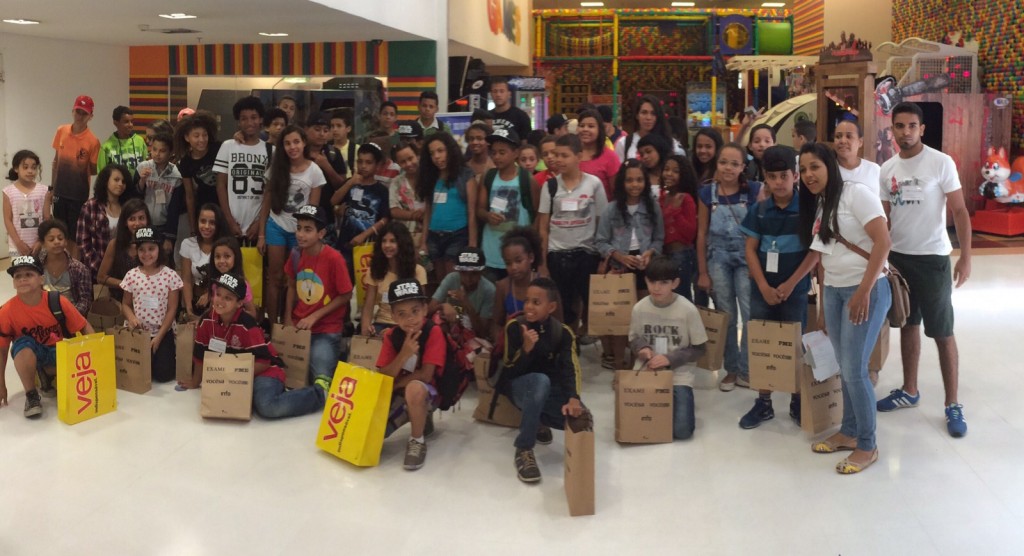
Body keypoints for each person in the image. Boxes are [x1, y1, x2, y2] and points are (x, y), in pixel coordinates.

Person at [875, 102, 973, 438]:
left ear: (922, 129)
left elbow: (959, 211)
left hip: (932, 259)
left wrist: (965, 256)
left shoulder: (940, 162)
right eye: (899, 126)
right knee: (908, 325)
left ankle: (952, 403)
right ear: (893, 129)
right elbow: (884, 221)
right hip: (899, 261)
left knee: (943, 332)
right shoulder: (886, 168)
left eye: (912, 126)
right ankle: (910, 390)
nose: (906, 132)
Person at [800, 142, 891, 474]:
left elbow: (883, 241)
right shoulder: (823, 203)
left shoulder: (856, 194)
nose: (809, 175)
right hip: (837, 292)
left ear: (830, 166)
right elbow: (823, 258)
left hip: (865, 290)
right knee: (844, 366)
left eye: (815, 167)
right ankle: (849, 431)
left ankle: (868, 445)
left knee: (855, 370)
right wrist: (823, 305)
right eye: (804, 169)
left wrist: (864, 291)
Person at [737, 146, 818, 429]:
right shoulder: (759, 211)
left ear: (795, 176)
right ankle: (764, 402)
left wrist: (790, 283)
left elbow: (815, 251)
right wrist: (763, 285)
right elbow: (750, 250)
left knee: (795, 345)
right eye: (772, 177)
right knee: (762, 345)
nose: (779, 182)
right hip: (763, 291)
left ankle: (797, 399)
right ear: (765, 179)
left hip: (794, 290)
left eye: (784, 176)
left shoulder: (808, 211)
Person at [191, 272, 330, 417]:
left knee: (266, 406)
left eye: (228, 298)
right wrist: (195, 383)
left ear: (239, 303)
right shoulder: (206, 320)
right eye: (218, 294)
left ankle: (319, 394)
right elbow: (200, 354)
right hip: (234, 374)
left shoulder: (248, 324)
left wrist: (233, 376)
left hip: (265, 370)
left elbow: (264, 362)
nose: (220, 300)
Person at [497, 277, 586, 483]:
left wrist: (574, 398)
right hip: (518, 388)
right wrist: (526, 350)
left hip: (546, 391)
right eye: (527, 300)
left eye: (536, 302)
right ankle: (524, 449)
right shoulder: (514, 327)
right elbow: (508, 372)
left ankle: (538, 421)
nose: (528, 306)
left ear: (552, 306)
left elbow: (570, 369)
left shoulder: (563, 333)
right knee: (540, 381)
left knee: (582, 418)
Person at [696, 143, 763, 391]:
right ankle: (731, 369)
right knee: (726, 316)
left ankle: (747, 369)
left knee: (749, 314)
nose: (728, 168)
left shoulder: (755, 191)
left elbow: (760, 230)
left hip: (747, 259)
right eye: (724, 162)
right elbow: (701, 234)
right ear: (717, 163)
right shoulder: (706, 194)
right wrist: (703, 271)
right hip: (718, 259)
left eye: (735, 164)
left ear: (744, 167)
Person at [0, 255, 94, 418]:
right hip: (30, 353)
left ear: (41, 279)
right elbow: (2, 349)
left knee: (73, 382)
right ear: (14, 282)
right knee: (22, 343)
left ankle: (46, 374)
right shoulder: (6, 312)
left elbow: (84, 326)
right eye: (18, 276)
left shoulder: (57, 301)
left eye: (29, 274)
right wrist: (1, 382)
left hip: (57, 350)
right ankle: (32, 396)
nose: (23, 279)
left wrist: (96, 359)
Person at [629, 255, 710, 440]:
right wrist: (642, 349)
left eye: (664, 282)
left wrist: (670, 359)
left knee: (682, 431)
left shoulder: (688, 310)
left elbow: (700, 348)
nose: (656, 288)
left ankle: (676, 402)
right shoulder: (639, 308)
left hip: (678, 373)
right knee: (638, 423)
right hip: (647, 370)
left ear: (675, 283)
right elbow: (633, 339)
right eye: (652, 282)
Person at [537, 134, 608, 337]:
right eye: (555, 155)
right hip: (557, 254)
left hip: (586, 254)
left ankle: (584, 335)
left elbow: (601, 222)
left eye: (564, 155)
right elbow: (543, 227)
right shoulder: (550, 187)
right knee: (563, 304)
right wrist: (542, 263)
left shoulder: (593, 184)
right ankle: (567, 342)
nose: (558, 160)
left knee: (587, 300)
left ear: (579, 156)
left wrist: (603, 256)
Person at [596, 159, 664, 369]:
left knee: (643, 316)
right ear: (622, 183)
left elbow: (659, 238)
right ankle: (618, 363)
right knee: (620, 318)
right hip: (619, 268)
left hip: (645, 267)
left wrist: (650, 253)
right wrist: (619, 256)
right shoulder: (612, 209)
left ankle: (640, 360)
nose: (635, 185)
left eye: (639, 180)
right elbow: (600, 241)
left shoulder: (653, 206)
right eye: (629, 180)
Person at [374, 279, 447, 470]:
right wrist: (404, 354)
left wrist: (396, 385)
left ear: (424, 309)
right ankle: (421, 419)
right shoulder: (391, 336)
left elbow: (425, 375)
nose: (410, 319)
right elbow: (383, 376)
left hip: (429, 392)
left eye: (415, 311)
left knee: (415, 389)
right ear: (393, 316)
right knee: (371, 435)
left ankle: (417, 440)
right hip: (399, 394)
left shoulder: (433, 332)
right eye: (402, 314)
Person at [258, 125, 325, 325]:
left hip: (300, 232)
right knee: (274, 277)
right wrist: (261, 233)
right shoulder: (277, 168)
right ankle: (272, 325)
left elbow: (313, 210)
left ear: (304, 143)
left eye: (296, 142)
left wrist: (307, 236)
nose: (292, 147)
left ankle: (292, 322)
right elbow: (266, 201)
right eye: (287, 143)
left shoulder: (315, 171)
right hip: (276, 225)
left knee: (294, 278)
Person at [283, 205, 353, 382]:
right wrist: (287, 319)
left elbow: (346, 295)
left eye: (308, 230)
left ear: (321, 234)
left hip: (326, 329)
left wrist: (314, 316)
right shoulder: (296, 254)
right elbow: (291, 286)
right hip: (299, 326)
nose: (300, 234)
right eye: (299, 228)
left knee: (320, 380)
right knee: (288, 377)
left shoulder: (334, 258)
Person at [120, 227, 184, 384]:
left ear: (159, 249)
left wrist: (160, 336)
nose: (146, 254)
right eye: (141, 249)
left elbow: (172, 309)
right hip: (138, 332)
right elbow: (125, 304)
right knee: (138, 372)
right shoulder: (131, 275)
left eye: (151, 249)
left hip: (162, 331)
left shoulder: (170, 275)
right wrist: (132, 318)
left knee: (164, 375)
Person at [417, 132, 479, 282]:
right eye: (432, 153)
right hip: (434, 235)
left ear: (450, 150)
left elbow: (472, 212)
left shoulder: (465, 175)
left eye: (440, 151)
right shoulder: (431, 177)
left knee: (453, 281)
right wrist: (423, 241)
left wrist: (472, 244)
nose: (436, 157)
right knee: (439, 280)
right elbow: (428, 211)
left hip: (457, 235)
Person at [478, 127, 536, 281]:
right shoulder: (488, 177)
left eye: (502, 152)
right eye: (494, 153)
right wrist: (487, 216)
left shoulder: (526, 179)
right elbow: (479, 209)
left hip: (519, 254)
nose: (497, 157)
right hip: (491, 251)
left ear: (515, 153)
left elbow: (536, 215)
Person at [330, 143, 391, 281]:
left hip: (368, 246)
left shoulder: (381, 191)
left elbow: (385, 218)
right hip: (346, 243)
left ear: (377, 166)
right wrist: (350, 183)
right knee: (343, 281)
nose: (363, 166)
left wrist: (364, 235)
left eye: (368, 162)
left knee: (365, 283)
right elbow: (333, 201)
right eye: (360, 161)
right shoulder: (351, 184)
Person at [49, 95, 101, 259]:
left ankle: (74, 270)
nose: (80, 116)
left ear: (90, 116)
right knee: (58, 233)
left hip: (78, 195)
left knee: (75, 236)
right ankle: (59, 267)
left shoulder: (93, 141)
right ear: (72, 111)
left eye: (84, 113)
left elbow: (93, 170)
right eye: (77, 111)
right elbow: (56, 162)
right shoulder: (61, 131)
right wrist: (52, 188)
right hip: (60, 192)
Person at [215, 96, 271, 242]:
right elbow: (221, 185)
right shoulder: (228, 146)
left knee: (257, 265)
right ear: (238, 122)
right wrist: (229, 220)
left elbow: (270, 191)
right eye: (244, 118)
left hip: (258, 225)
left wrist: (259, 222)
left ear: (261, 120)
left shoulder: (271, 151)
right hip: (232, 222)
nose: (249, 122)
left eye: (254, 117)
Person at [491, 226, 561, 340]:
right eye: (508, 263)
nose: (514, 267)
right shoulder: (502, 287)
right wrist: (501, 345)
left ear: (531, 257)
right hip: (514, 346)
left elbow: (558, 323)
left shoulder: (546, 285)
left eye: (518, 261)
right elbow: (496, 324)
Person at [361, 222, 428, 336]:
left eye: (392, 241)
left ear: (402, 244)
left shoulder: (418, 271)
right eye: (384, 241)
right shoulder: (375, 270)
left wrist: (394, 333)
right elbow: (368, 307)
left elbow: (420, 308)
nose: (387, 245)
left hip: (408, 325)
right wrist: (365, 331)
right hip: (381, 324)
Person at [429, 246, 496, 339]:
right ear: (458, 271)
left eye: (474, 273)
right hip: (450, 330)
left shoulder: (489, 290)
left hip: (473, 337)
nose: (468, 279)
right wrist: (443, 306)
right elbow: (429, 310)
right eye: (464, 273)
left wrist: (466, 303)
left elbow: (482, 331)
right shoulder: (451, 279)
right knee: (437, 318)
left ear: (482, 272)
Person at [78, 163, 128, 281]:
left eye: (123, 181)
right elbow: (83, 243)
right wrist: (101, 268)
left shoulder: (127, 207)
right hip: (96, 270)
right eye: (116, 180)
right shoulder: (91, 206)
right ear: (106, 181)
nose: (120, 184)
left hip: (124, 272)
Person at [660, 154, 700, 302]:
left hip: (682, 255)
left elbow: (690, 233)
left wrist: (676, 212)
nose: (669, 174)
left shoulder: (686, 198)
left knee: (681, 298)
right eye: (666, 169)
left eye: (675, 171)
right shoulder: (663, 197)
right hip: (665, 254)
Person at [133, 132, 182, 251]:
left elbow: (174, 209)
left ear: (171, 152)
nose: (157, 154)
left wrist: (169, 238)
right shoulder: (142, 168)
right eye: (154, 149)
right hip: (143, 223)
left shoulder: (176, 175)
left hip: (164, 226)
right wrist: (142, 180)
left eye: (162, 151)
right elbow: (134, 197)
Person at [175, 111, 222, 235]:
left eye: (204, 135)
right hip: (204, 206)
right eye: (196, 136)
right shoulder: (185, 162)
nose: (201, 140)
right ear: (187, 137)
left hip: (225, 204)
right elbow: (189, 195)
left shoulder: (218, 148)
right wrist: (192, 227)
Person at [181, 203, 230, 318]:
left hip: (221, 301)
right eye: (203, 221)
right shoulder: (188, 244)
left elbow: (230, 277)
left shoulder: (225, 245)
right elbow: (186, 279)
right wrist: (189, 308)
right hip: (197, 302)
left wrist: (211, 294)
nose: (206, 226)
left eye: (212, 223)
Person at [97, 199, 151, 302]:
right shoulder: (115, 244)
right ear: (125, 222)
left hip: (146, 300)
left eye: (141, 218)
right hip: (118, 302)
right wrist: (126, 285)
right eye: (132, 219)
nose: (137, 223)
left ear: (147, 220)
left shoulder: (154, 245)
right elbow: (101, 277)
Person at [37, 219, 93, 318]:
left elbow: (85, 301)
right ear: (43, 243)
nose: (57, 242)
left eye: (60, 238)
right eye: (51, 239)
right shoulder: (37, 268)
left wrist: (68, 317)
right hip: (43, 317)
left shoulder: (79, 269)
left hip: (73, 317)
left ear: (66, 241)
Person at [4, 150, 50, 256]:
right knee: (20, 272)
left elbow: (47, 219)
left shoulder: (44, 191)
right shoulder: (8, 192)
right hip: (16, 245)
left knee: (39, 272)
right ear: (16, 168)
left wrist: (40, 241)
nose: (30, 171)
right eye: (25, 167)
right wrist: (18, 243)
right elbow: (8, 220)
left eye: (34, 167)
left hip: (39, 245)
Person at [614, 95, 684, 162]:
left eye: (653, 113)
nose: (648, 118)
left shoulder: (672, 144)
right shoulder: (624, 143)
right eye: (644, 113)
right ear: (637, 115)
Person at [304, 112, 346, 218]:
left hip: (325, 214)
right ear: (306, 129)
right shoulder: (298, 151)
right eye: (317, 129)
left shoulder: (334, 153)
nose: (322, 134)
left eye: (326, 130)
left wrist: (327, 166)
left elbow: (341, 186)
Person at [208, 236, 258, 319]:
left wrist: (233, 315)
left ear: (236, 257)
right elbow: (212, 310)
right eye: (217, 256)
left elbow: (252, 313)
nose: (221, 261)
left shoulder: (243, 285)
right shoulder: (215, 282)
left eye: (227, 256)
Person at [577, 109, 622, 199]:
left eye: (591, 126)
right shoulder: (572, 154)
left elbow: (617, 192)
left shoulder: (610, 157)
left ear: (599, 130)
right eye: (582, 126)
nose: (585, 129)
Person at [388, 141, 425, 239]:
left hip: (430, 234)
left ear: (417, 155)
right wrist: (415, 215)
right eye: (402, 162)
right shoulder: (396, 182)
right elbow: (394, 211)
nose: (408, 164)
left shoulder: (430, 178)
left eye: (410, 158)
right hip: (405, 236)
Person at [97, 106, 147, 177]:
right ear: (116, 123)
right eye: (126, 122)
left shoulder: (140, 141)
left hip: (138, 187)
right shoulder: (106, 147)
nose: (130, 125)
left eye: (132, 121)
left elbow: (146, 165)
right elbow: (102, 176)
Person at [833, 119, 880, 190]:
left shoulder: (874, 170)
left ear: (860, 142)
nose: (842, 141)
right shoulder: (827, 170)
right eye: (838, 136)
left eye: (849, 136)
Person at [329, 109, 357, 178]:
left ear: (348, 129)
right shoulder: (326, 149)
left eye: (339, 126)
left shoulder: (357, 149)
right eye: (332, 126)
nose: (335, 129)